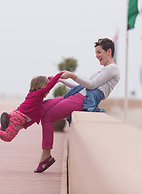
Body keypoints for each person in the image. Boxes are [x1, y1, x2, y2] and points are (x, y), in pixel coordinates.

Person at [37, 38, 120, 173]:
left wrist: (71, 75)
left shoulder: (113, 70)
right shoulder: (103, 70)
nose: (96, 56)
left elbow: (91, 86)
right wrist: (62, 80)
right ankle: (17, 121)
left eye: (99, 52)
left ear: (109, 51)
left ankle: (46, 156)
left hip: (82, 100)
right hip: (77, 95)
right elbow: (82, 87)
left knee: (47, 117)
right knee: (43, 107)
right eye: (96, 53)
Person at [0, 72, 63, 171]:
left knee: (3, 131)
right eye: (47, 89)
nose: (48, 92)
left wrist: (51, 79)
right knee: (8, 137)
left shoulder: (32, 94)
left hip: (16, 114)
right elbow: (48, 87)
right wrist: (60, 74)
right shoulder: (39, 94)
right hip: (18, 118)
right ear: (42, 86)